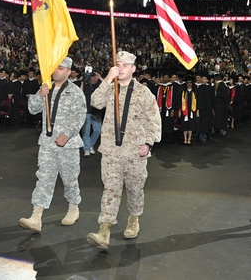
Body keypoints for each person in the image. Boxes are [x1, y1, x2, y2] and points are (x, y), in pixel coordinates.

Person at [86, 51, 161, 250]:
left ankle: (134, 218)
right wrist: (107, 80)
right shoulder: (110, 88)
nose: (120, 68)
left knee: (135, 188)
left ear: (134, 69)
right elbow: (95, 102)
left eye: (125, 65)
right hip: (111, 149)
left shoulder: (144, 93)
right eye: (118, 64)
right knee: (110, 188)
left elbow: (154, 119)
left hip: (135, 151)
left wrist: (149, 142)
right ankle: (104, 230)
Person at [19, 57, 86, 232]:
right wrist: (39, 95)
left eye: (61, 68)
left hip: (68, 145)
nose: (56, 70)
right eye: (55, 67)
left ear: (69, 72)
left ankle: (73, 208)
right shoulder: (46, 88)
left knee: (70, 179)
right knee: (44, 178)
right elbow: (32, 109)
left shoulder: (75, 92)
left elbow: (79, 117)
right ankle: (36, 217)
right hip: (47, 144)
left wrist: (67, 134)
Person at [82, 71, 103, 157]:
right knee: (86, 132)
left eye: (96, 77)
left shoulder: (100, 85)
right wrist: (83, 80)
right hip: (86, 111)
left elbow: (109, 87)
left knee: (98, 130)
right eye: (92, 76)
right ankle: (87, 149)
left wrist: (100, 78)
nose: (94, 78)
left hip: (96, 112)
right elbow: (80, 93)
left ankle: (90, 144)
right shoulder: (85, 84)